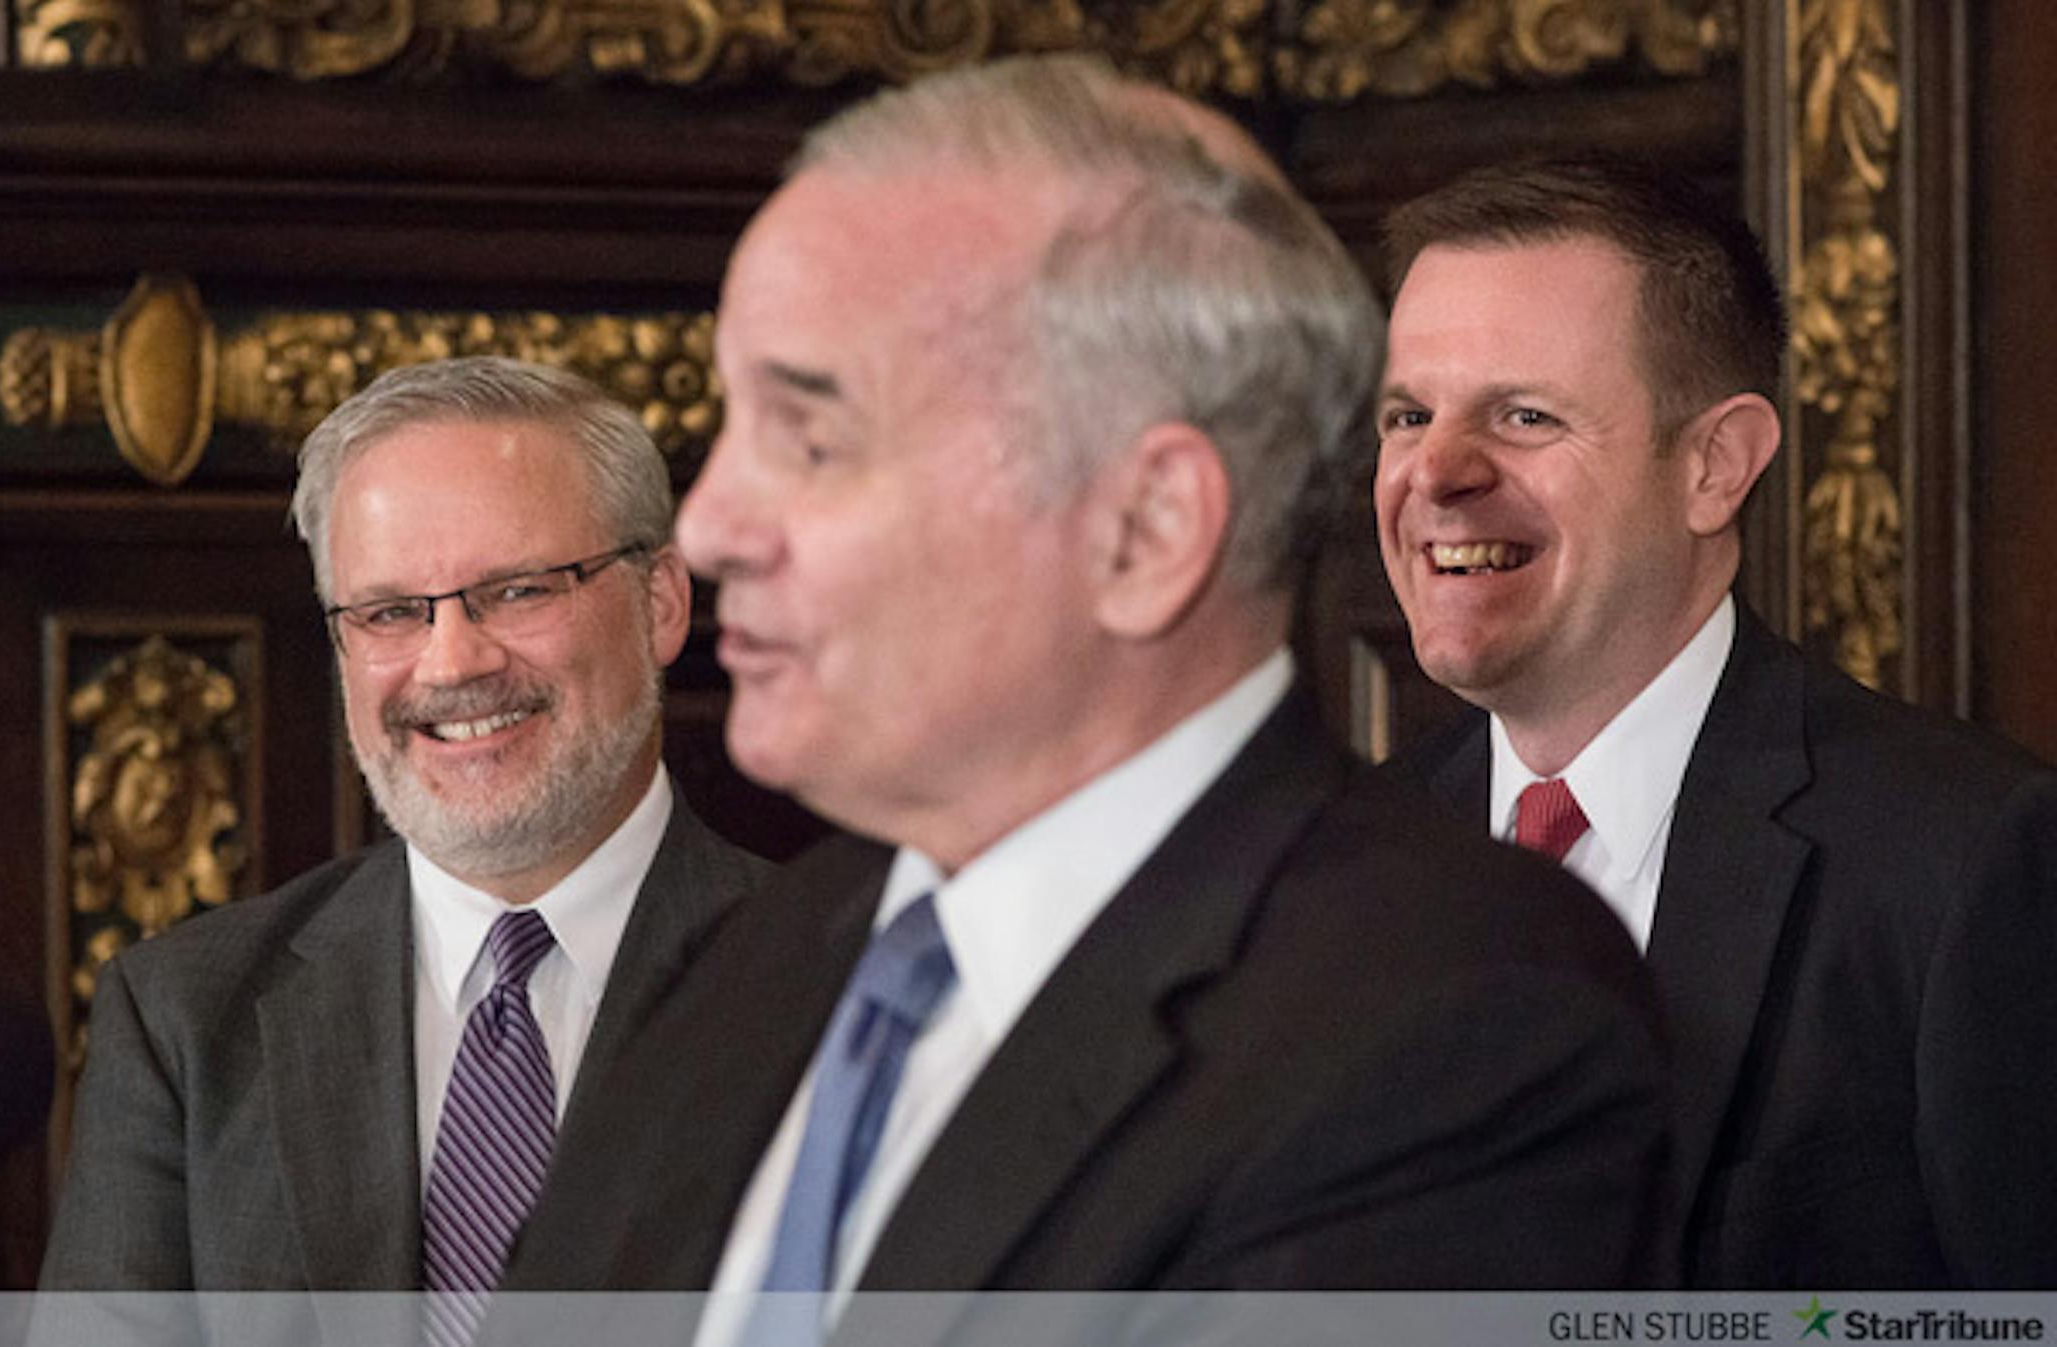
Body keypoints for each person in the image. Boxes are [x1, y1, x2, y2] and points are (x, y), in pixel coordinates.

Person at [504, 57, 1671, 1326]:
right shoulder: (748, 963)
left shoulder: (1457, 1025)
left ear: (1145, 531)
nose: (713, 525)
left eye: (812, 438)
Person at [1375, 157, 2057, 1287]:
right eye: (1409, 413)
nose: (1436, 471)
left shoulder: (1969, 866)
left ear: (1714, 465)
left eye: (1525, 415)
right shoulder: (1344, 869)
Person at [39, 358, 772, 1320]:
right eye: (390, 612)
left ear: (661, 602)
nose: (453, 660)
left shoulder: (841, 983)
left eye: (517, 590)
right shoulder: (186, 1019)